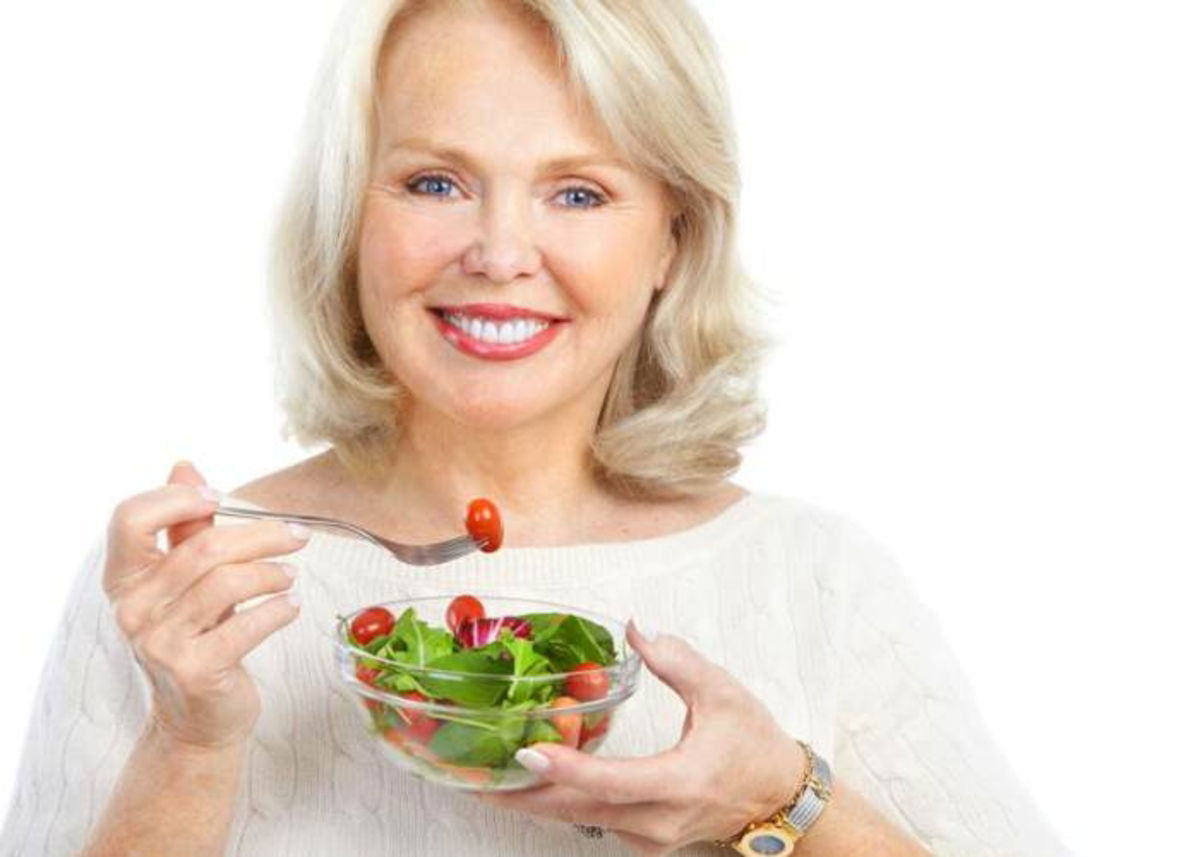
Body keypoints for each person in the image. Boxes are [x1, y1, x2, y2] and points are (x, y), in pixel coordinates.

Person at [0, 1, 1071, 855]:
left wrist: (781, 803)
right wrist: (191, 741)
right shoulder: (187, 597)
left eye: (579, 193)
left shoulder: (815, 582)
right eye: (434, 182)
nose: (501, 251)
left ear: (670, 244)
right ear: (349, 221)